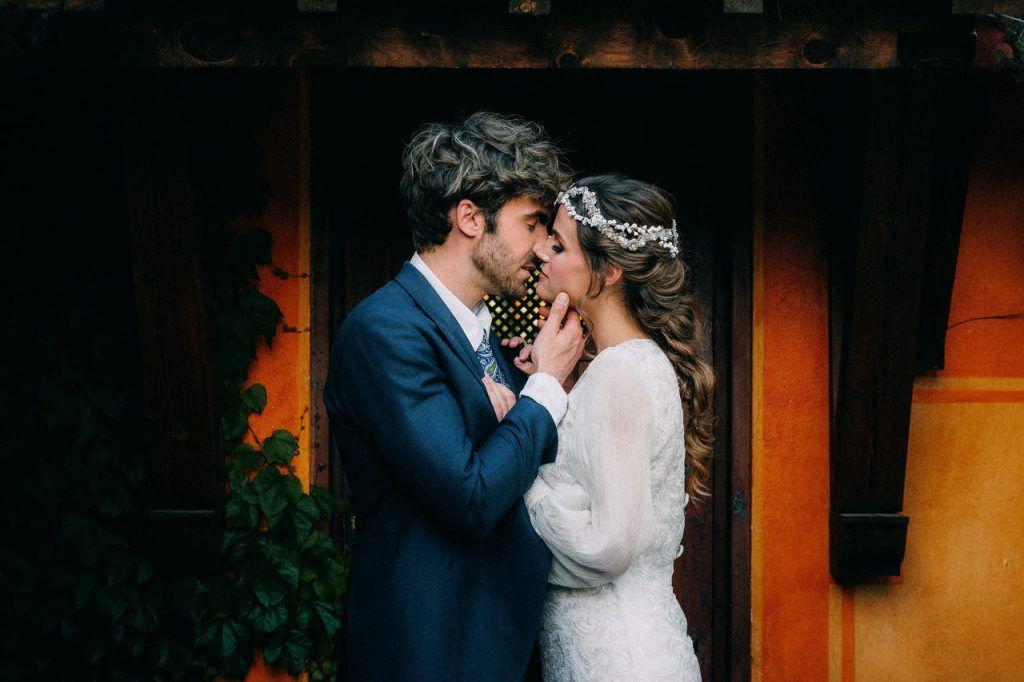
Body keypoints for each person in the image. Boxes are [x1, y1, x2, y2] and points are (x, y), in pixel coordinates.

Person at [322, 111, 585, 681]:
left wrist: (529, 387)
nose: (543, 248)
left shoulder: (492, 341)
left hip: (495, 643)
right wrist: (544, 390)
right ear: (469, 217)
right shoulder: (386, 330)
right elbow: (471, 497)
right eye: (532, 224)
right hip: (426, 646)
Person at [502, 173, 715, 680]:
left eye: (558, 244)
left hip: (621, 660)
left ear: (610, 271)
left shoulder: (621, 372)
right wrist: (553, 390)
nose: (540, 251)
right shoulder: (618, 366)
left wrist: (517, 461)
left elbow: (607, 547)